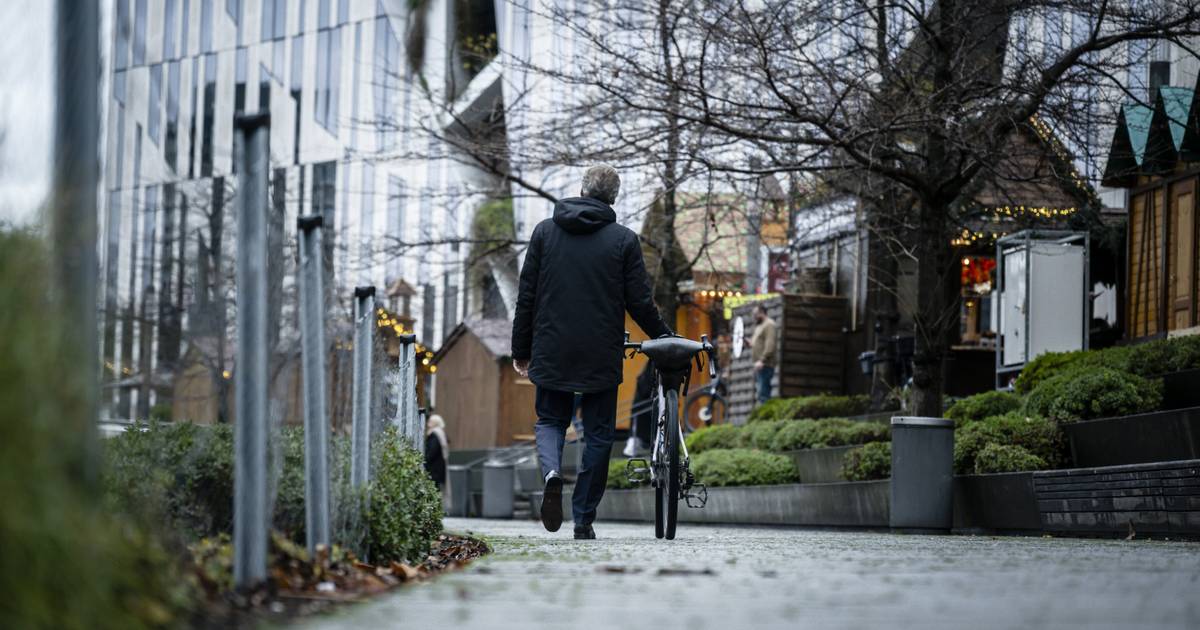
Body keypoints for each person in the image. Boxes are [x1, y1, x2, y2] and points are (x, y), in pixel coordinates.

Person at [511, 164, 672, 540]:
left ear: (582, 189)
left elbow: (527, 297)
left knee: (551, 420)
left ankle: (552, 472)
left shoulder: (544, 233)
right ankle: (583, 518)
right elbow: (639, 302)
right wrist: (664, 336)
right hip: (601, 350)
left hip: (551, 346)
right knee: (598, 435)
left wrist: (521, 348)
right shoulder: (623, 240)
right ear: (613, 198)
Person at [750, 304, 778, 404]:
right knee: (761, 393)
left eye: (756, 314)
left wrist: (762, 360)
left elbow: (770, 344)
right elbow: (758, 343)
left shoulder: (769, 324)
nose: (754, 316)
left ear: (762, 312)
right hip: (759, 365)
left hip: (765, 364)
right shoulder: (760, 326)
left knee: (764, 393)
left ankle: (766, 418)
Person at [424, 414, 448, 492]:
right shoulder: (439, 433)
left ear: (435, 423)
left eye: (431, 421)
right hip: (438, 469)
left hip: (434, 470)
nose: (429, 422)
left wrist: (425, 460)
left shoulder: (435, 435)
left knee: (433, 489)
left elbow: (432, 451)